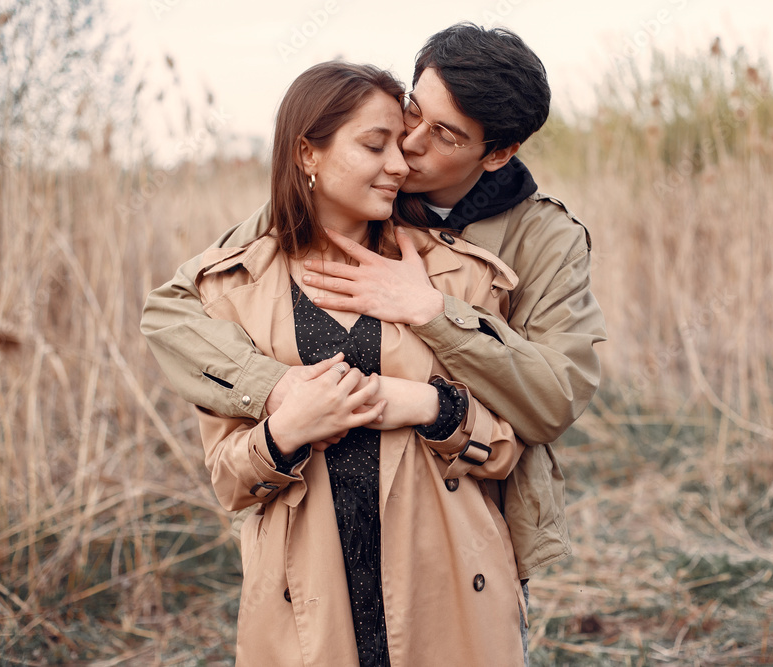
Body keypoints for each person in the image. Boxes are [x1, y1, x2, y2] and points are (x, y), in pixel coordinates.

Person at [141, 23, 608, 586]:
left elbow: (553, 399)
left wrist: (433, 313)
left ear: (499, 152)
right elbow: (172, 310)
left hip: (472, 544)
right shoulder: (350, 189)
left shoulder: (545, 238)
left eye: (446, 135)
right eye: (415, 110)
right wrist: (274, 388)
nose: (409, 145)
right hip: (323, 540)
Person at [187, 60, 527, 665]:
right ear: (307, 154)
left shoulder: (459, 276)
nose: (400, 164)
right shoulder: (231, 292)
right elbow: (228, 481)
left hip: (442, 594)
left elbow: (506, 447)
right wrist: (287, 429)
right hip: (307, 604)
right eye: (375, 145)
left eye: (402, 143)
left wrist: (429, 405)